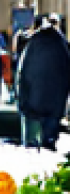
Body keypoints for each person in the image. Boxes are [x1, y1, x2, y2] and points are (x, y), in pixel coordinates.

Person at [18, 14, 70, 150]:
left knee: (30, 135)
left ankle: (30, 144)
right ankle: (49, 143)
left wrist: (22, 95)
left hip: (33, 98)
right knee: (49, 134)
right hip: (55, 100)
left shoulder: (32, 44)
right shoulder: (62, 46)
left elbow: (23, 72)